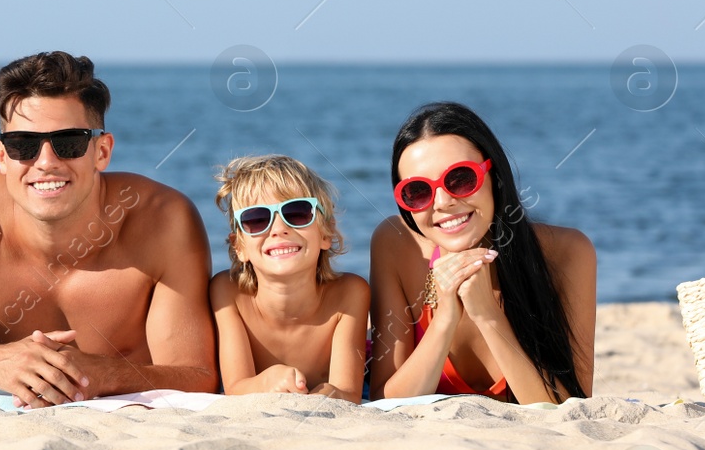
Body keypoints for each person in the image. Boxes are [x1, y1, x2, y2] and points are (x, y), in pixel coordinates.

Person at [0, 51, 218, 406]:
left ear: (102, 151)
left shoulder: (164, 221)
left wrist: (105, 374)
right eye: (24, 145)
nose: (46, 163)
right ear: (3, 155)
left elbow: (199, 376)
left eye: (69, 143)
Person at [369, 102, 595, 404]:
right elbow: (385, 400)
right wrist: (445, 319)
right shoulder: (396, 244)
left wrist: (488, 316)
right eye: (418, 191)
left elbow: (569, 407)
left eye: (461, 178)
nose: (442, 201)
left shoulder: (567, 252)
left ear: (495, 176)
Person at [209, 156, 368, 399]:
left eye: (297, 212)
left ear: (326, 233)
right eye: (257, 219)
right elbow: (236, 388)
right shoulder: (229, 294)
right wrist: (269, 379)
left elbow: (348, 392)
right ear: (239, 247)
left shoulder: (350, 293)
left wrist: (319, 394)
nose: (278, 228)